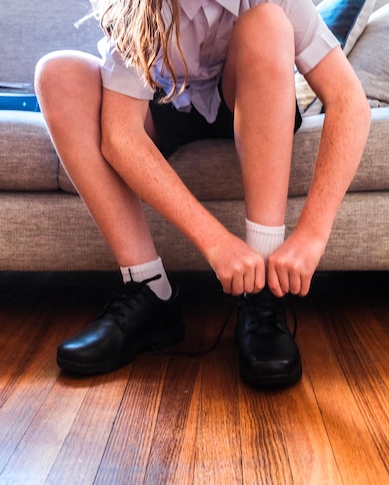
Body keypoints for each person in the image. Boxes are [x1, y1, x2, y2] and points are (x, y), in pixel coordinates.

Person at [35, 0, 370, 387]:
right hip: (163, 105)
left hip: (252, 97)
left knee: (267, 23)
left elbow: (349, 102)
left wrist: (312, 234)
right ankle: (149, 291)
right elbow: (121, 136)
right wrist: (216, 243)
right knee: (57, 73)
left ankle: (262, 289)